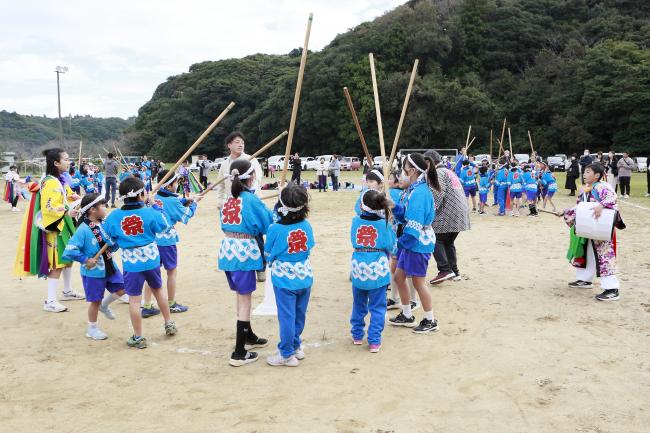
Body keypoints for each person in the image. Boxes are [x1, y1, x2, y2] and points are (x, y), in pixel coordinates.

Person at [100, 177, 177, 349]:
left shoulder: (114, 216)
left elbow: (108, 239)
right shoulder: (150, 212)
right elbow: (165, 225)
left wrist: (119, 241)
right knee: (158, 291)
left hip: (131, 262)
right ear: (142, 194)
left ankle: (138, 336)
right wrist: (154, 204)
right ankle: (169, 323)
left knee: (135, 300)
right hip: (151, 259)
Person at [13, 148, 85, 312]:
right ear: (56, 163)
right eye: (66, 159)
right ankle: (50, 301)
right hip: (55, 228)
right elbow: (48, 207)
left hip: (63, 225)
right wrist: (67, 210)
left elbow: (63, 195)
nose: (69, 162)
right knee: (57, 263)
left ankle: (67, 290)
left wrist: (71, 197)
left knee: (67, 258)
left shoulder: (56, 179)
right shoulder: (51, 182)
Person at [218, 158, 272, 366]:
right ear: (251, 177)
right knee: (245, 300)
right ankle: (239, 352)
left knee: (241, 297)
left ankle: (248, 335)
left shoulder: (231, 199)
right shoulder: (250, 200)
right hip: (244, 251)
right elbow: (268, 223)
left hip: (228, 249)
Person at [62, 194, 126, 340]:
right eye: (103, 205)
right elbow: (70, 250)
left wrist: (115, 240)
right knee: (95, 300)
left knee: (123, 287)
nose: (105, 208)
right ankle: (92, 328)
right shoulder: (83, 230)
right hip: (93, 271)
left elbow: (111, 246)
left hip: (109, 265)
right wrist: (85, 260)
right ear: (92, 210)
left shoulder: (103, 224)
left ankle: (105, 305)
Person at [389, 153, 439, 334]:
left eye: (403, 169)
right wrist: (393, 206)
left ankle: (430, 319)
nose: (401, 173)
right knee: (398, 278)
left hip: (417, 243)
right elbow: (406, 215)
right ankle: (407, 314)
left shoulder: (420, 193)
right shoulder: (412, 190)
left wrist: (400, 243)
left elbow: (413, 226)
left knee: (418, 283)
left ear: (411, 171)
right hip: (411, 242)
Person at [264, 184, 314, 366]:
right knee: (299, 315)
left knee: (287, 317)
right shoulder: (306, 225)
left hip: (284, 279)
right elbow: (310, 246)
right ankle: (295, 345)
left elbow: (268, 254)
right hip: (304, 276)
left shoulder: (275, 229)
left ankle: (286, 354)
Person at [559, 163, 622, 301]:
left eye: (588, 172)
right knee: (587, 253)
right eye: (585, 172)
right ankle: (584, 279)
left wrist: (601, 205)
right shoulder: (584, 190)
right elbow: (580, 208)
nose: (584, 174)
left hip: (601, 227)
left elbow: (612, 198)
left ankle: (612, 288)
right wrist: (566, 212)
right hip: (587, 226)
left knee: (604, 256)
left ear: (597, 175)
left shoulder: (603, 186)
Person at [141, 169, 198, 318]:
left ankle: (146, 305)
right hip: (166, 241)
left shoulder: (153, 197)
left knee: (151, 272)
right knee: (171, 271)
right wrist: (194, 204)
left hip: (152, 240)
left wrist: (186, 200)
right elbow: (186, 216)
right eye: (175, 182)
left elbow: (171, 202)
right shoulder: (172, 200)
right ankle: (171, 303)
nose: (177, 185)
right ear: (168, 185)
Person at [215, 131, 265, 282]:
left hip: (250, 203)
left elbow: (257, 181)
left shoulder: (251, 160)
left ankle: (261, 267)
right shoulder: (225, 164)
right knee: (236, 235)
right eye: (236, 142)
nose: (240, 144)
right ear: (229, 145)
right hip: (233, 206)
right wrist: (220, 201)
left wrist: (250, 198)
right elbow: (221, 185)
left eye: (242, 142)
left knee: (256, 235)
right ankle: (240, 264)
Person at [349, 189, 395, 353]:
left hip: (359, 267)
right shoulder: (385, 224)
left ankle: (357, 335)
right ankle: (374, 340)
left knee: (358, 303)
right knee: (377, 306)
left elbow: (352, 239)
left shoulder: (355, 221)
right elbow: (391, 246)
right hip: (378, 269)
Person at [424, 150, 470, 284]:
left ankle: (444, 269)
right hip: (460, 211)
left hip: (449, 212)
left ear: (429, 162)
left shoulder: (437, 173)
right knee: (448, 242)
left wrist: (429, 213)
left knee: (435, 239)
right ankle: (454, 272)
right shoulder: (449, 171)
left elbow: (437, 194)